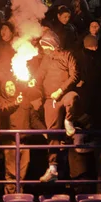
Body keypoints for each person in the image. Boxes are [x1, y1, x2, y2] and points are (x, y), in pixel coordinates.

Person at [35, 30, 81, 182]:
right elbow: (39, 77)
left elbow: (75, 75)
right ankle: (53, 168)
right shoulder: (46, 60)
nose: (44, 49)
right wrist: (33, 82)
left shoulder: (67, 55)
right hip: (51, 100)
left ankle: (69, 120)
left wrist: (60, 90)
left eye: (46, 46)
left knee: (73, 98)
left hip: (64, 94)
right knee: (52, 132)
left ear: (53, 43)